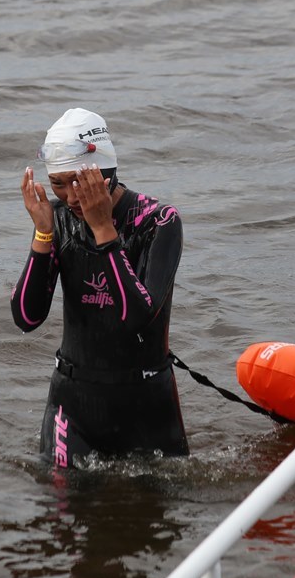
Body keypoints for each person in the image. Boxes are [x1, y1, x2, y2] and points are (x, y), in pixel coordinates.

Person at [10, 108, 189, 468]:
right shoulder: (58, 220)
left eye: (78, 181)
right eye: (59, 184)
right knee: (58, 510)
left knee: (155, 511)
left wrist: (104, 230)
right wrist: (43, 235)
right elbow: (27, 318)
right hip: (73, 402)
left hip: (146, 403)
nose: (71, 197)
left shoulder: (158, 222)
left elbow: (138, 318)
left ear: (105, 171)